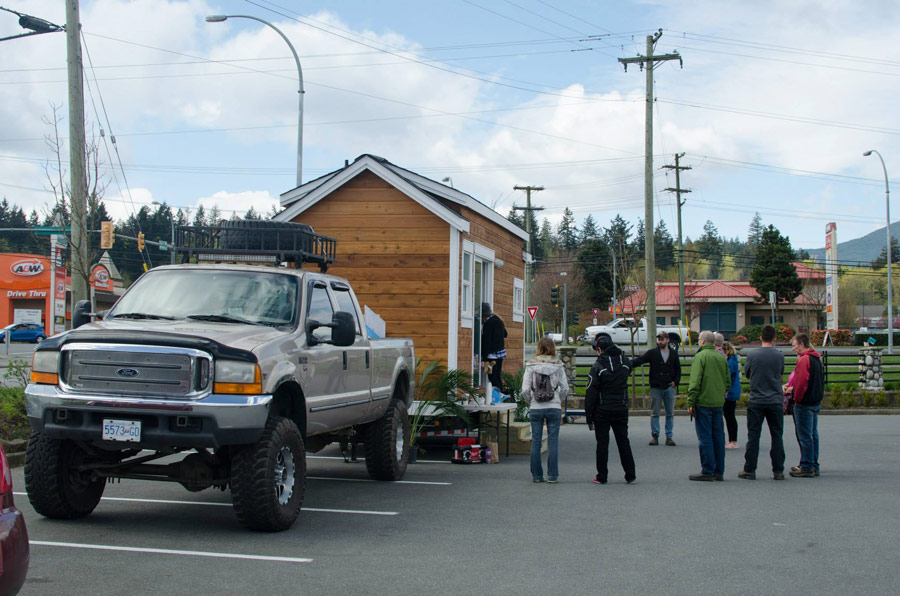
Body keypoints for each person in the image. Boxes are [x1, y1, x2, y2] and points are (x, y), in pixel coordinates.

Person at [584, 335, 636, 485]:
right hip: (621, 407)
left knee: (602, 443)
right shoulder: (624, 362)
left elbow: (591, 391)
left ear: (600, 349)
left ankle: (602, 476)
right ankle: (630, 474)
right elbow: (630, 368)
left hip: (603, 409)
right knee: (623, 441)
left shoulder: (598, 366)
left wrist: (589, 415)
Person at [739, 325, 786, 480]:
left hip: (757, 399)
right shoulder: (779, 356)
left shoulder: (753, 355)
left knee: (753, 435)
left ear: (761, 338)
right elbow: (780, 373)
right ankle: (778, 470)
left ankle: (750, 469)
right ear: (774, 339)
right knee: (777, 435)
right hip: (775, 399)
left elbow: (747, 373)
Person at [521, 337, 568, 483]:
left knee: (536, 441)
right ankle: (552, 476)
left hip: (536, 407)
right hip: (553, 406)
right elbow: (565, 388)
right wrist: (557, 399)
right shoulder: (558, 365)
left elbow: (525, 390)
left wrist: (531, 401)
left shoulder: (531, 365)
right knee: (553, 442)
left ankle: (537, 475)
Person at [686, 330, 730, 481]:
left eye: (699, 339)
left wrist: (690, 402)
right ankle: (719, 470)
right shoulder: (721, 358)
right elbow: (728, 382)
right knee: (718, 436)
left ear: (703, 341)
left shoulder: (700, 357)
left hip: (703, 402)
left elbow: (695, 382)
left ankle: (707, 469)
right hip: (718, 402)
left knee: (705, 437)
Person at [632, 331, 681, 446]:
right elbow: (640, 360)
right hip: (656, 387)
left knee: (670, 413)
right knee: (655, 413)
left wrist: (676, 382)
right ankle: (655, 435)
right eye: (659, 339)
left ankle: (669, 436)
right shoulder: (653, 353)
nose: (660, 341)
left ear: (667, 340)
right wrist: (627, 364)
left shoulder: (673, 354)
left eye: (662, 339)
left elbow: (678, 369)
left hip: (669, 387)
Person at [785, 333, 823, 478]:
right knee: (813, 435)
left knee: (805, 435)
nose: (793, 348)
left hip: (804, 403)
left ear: (801, 344)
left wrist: (796, 398)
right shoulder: (816, 358)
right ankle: (813, 463)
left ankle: (806, 465)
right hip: (814, 401)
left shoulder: (803, 360)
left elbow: (801, 383)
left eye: (794, 345)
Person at [480, 302, 507, 392]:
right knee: (497, 376)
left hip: (492, 355)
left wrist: (484, 359)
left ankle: (497, 395)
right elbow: (505, 334)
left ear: (483, 315)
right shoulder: (498, 320)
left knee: (492, 377)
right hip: (500, 354)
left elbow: (486, 342)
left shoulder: (488, 324)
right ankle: (500, 394)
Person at [723, 341, 741, 449]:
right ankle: (732, 440)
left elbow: (727, 376)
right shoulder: (733, 360)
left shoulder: (730, 362)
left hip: (730, 392)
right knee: (729, 416)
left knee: (729, 416)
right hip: (733, 391)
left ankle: (733, 440)